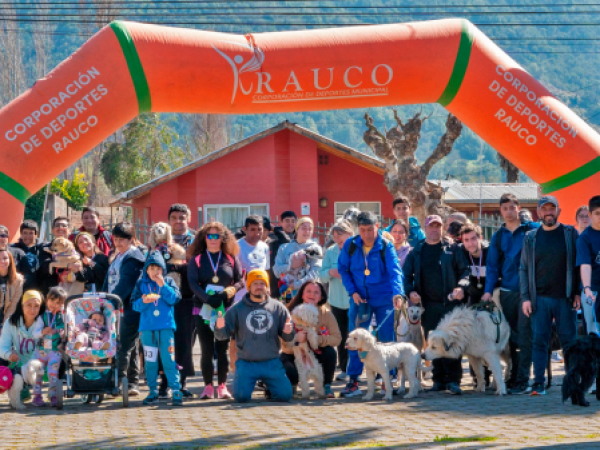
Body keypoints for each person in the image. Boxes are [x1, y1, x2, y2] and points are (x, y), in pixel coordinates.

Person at [338, 211, 405, 397]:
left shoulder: (386, 246)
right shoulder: (351, 245)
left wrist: (398, 293)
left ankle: (387, 380)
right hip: (360, 298)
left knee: (385, 338)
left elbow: (395, 271)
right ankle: (353, 381)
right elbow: (343, 269)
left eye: (370, 229)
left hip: (384, 298)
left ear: (377, 227)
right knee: (356, 340)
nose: (367, 234)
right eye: (362, 230)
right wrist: (352, 292)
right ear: (357, 230)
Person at [403, 215, 469, 395]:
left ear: (442, 228)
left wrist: (461, 286)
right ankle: (439, 380)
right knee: (433, 344)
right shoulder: (416, 251)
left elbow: (465, 271)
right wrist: (411, 292)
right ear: (425, 229)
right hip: (428, 306)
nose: (434, 229)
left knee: (451, 343)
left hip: (450, 305)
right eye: (431, 226)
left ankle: (454, 380)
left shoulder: (452, 249)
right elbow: (406, 277)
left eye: (438, 226)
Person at [520, 195, 580, 396]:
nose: (548, 212)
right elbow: (523, 269)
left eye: (552, 208)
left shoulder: (570, 234)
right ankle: (538, 382)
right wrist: (525, 297)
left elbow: (578, 265)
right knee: (539, 342)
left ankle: (572, 383)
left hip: (565, 298)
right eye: (544, 209)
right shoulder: (531, 237)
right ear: (538, 213)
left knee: (569, 343)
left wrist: (578, 292)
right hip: (540, 299)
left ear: (558, 211)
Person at [482, 193, 540, 395]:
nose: (508, 211)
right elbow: (491, 267)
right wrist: (488, 291)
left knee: (525, 336)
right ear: (501, 211)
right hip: (507, 293)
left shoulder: (533, 230)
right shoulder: (498, 237)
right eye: (504, 208)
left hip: (529, 293)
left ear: (518, 208)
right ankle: (513, 376)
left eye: (512, 207)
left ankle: (523, 379)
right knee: (511, 338)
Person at [214, 269, 295, 403]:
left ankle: (269, 387)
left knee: (285, 396)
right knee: (241, 397)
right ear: (249, 287)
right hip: (247, 363)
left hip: (271, 361)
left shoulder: (278, 308)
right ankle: (241, 381)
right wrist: (219, 327)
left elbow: (289, 338)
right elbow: (222, 336)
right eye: (255, 283)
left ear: (267, 286)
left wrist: (288, 332)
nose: (259, 287)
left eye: (262, 283)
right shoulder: (236, 309)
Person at [187, 222, 243, 400]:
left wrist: (229, 291)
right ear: (204, 238)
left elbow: (240, 280)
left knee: (223, 348)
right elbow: (193, 284)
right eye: (209, 236)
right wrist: (206, 298)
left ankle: (222, 386)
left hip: (224, 310)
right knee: (207, 350)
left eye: (216, 236)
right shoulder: (197, 259)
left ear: (223, 238)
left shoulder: (231, 258)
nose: (213, 239)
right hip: (202, 309)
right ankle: (208, 387)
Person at [132, 251, 183, 406]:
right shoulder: (141, 284)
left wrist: (163, 286)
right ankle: (152, 391)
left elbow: (174, 299)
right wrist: (144, 301)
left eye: (158, 268)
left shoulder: (168, 282)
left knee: (169, 359)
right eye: (152, 268)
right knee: (150, 360)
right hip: (147, 329)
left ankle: (175, 389)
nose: (155, 272)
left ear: (163, 270)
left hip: (166, 328)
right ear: (146, 269)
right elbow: (135, 306)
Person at [102, 222, 146, 396]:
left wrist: (110, 302)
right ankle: (131, 382)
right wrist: (103, 299)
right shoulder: (119, 256)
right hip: (116, 307)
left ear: (132, 240)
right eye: (116, 239)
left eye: (122, 240)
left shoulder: (134, 258)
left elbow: (125, 285)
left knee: (123, 346)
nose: (118, 242)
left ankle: (120, 382)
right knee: (131, 346)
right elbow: (109, 281)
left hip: (128, 308)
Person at [158, 203, 196, 399]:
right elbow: (156, 266)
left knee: (184, 343)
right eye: (174, 218)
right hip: (163, 299)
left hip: (188, 298)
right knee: (164, 341)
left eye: (182, 217)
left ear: (188, 219)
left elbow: (197, 267)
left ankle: (180, 383)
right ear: (169, 220)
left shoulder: (196, 241)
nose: (178, 221)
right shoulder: (161, 240)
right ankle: (163, 383)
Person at [280, 280, 341, 398]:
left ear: (321, 296)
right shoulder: (290, 313)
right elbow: (283, 345)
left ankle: (325, 385)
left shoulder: (326, 313)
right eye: (308, 291)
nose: (312, 295)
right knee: (286, 364)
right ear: (302, 294)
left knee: (330, 352)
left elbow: (336, 338)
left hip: (316, 350)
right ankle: (292, 385)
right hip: (293, 352)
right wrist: (297, 339)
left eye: (316, 292)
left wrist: (316, 339)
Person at [320, 220, 353, 381]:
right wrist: (331, 272)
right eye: (335, 237)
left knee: (356, 334)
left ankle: (357, 368)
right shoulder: (331, 251)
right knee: (341, 335)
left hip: (355, 299)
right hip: (336, 300)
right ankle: (345, 367)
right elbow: (321, 274)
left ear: (350, 234)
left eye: (341, 236)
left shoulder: (357, 249)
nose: (338, 240)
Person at [0, 290, 43, 402]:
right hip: (17, 364)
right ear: (22, 305)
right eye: (29, 305)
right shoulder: (10, 322)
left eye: (36, 306)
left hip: (38, 365)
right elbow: (2, 347)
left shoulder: (44, 323)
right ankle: (16, 386)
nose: (32, 310)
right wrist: (9, 355)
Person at [31, 286, 67, 407]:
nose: (54, 305)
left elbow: (68, 330)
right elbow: (35, 334)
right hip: (41, 350)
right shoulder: (42, 317)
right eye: (51, 301)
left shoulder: (63, 316)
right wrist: (42, 332)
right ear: (47, 300)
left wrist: (62, 333)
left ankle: (53, 395)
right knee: (39, 373)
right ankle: (36, 396)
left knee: (53, 373)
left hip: (56, 350)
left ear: (62, 304)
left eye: (58, 303)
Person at [273, 217, 322, 300]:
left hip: (309, 295)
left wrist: (296, 285)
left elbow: (314, 274)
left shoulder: (315, 249)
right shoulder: (284, 248)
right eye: (304, 228)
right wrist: (291, 266)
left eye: (310, 229)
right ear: (297, 229)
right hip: (287, 294)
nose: (307, 231)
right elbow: (276, 272)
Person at [577, 196, 600, 337]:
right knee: (593, 333)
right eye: (597, 213)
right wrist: (587, 288)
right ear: (590, 215)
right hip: (593, 292)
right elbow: (585, 266)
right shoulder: (585, 237)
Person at [38, 216, 73, 295]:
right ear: (52, 230)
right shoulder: (45, 248)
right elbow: (46, 267)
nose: (60, 227)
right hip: (52, 291)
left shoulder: (75, 248)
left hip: (72, 290)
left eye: (64, 225)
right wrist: (69, 265)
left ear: (70, 230)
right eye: (57, 225)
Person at [268, 210, 297, 298]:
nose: (290, 224)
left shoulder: (299, 238)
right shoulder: (273, 238)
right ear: (281, 222)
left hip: (295, 280)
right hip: (276, 279)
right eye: (287, 221)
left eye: (293, 221)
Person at [11, 220, 45, 291]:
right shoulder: (13, 248)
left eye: (31, 233)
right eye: (25, 233)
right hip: (18, 289)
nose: (28, 236)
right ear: (21, 234)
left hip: (37, 290)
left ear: (36, 235)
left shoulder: (42, 249)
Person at [460, 224, 489, 306]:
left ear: (480, 238)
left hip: (492, 293)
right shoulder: (461, 252)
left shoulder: (490, 252)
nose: (470, 243)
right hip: (473, 295)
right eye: (466, 240)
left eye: (473, 239)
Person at [0, 247, 24, 327]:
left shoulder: (18, 280)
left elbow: (13, 305)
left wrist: (4, 325)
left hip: (7, 318)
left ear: (10, 260)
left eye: (5, 258)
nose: (2, 261)